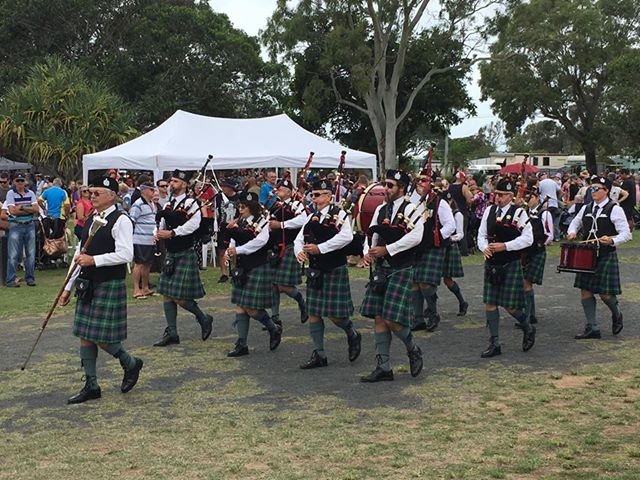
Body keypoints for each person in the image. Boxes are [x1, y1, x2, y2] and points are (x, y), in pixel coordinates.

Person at [58, 176, 143, 404]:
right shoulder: (92, 218)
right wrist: (68, 286)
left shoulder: (121, 220)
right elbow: (79, 256)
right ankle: (91, 385)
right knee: (85, 336)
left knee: (100, 337)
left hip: (108, 283)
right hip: (88, 284)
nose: (92, 196)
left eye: (97, 193)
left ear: (113, 195)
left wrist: (94, 260)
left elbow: (126, 255)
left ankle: (131, 363)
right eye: (90, 193)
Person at [360, 170, 425, 382]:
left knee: (392, 319)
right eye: (385, 185)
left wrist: (388, 250)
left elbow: (416, 237)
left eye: (390, 185)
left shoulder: (412, 209)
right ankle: (384, 367)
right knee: (379, 317)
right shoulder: (380, 209)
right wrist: (367, 252)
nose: (385, 189)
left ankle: (412, 348)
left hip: (401, 268)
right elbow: (371, 235)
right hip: (381, 269)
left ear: (401, 188)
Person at [294, 179, 361, 370]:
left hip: (333, 268)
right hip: (316, 271)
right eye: (312, 195)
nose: (313, 198)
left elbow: (346, 237)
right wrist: (298, 251)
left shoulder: (339, 214)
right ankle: (319, 354)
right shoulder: (311, 217)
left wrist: (320, 248)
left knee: (335, 315)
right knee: (314, 313)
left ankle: (352, 333)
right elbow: (299, 238)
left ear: (328, 196)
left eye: (317, 195)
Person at [153, 170, 213, 346]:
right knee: (166, 294)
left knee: (179, 297)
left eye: (176, 181)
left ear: (185, 185)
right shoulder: (168, 204)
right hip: (170, 253)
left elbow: (193, 225)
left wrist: (172, 233)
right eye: (171, 181)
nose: (172, 184)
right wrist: (157, 233)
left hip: (184, 251)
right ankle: (172, 332)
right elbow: (161, 224)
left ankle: (203, 318)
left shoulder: (191, 203)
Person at [477, 178, 536, 358]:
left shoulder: (519, 213)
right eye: (497, 194)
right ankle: (494, 343)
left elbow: (528, 239)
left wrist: (506, 246)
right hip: (492, 263)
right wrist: (484, 247)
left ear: (511, 196)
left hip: (509, 262)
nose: (498, 198)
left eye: (502, 195)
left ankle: (527, 326)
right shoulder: (489, 211)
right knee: (490, 303)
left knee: (510, 306)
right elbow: (481, 235)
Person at [567, 175, 632, 339]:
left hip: (605, 254)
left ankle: (617, 313)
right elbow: (575, 222)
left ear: (606, 191)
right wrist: (572, 232)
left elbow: (626, 234)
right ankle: (592, 327)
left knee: (605, 294)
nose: (593, 191)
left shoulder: (614, 208)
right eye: (591, 188)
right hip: (586, 255)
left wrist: (612, 240)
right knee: (585, 291)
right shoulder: (586, 208)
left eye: (596, 189)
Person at [224, 191, 282, 356]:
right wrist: (229, 251)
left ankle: (273, 328)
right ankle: (242, 344)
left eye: (244, 207)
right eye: (240, 206)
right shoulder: (239, 222)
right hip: (242, 267)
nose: (240, 210)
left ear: (253, 208)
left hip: (257, 266)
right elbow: (234, 239)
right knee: (240, 306)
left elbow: (259, 242)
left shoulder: (263, 223)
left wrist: (238, 250)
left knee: (250, 307)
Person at [411, 174, 456, 332]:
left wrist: (435, 237)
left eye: (424, 181)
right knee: (414, 282)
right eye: (418, 181)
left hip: (435, 247)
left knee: (425, 283)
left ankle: (433, 313)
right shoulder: (412, 202)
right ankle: (418, 319)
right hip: (416, 246)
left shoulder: (439, 202)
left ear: (429, 184)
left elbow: (451, 225)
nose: (420, 184)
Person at [267, 177, 309, 327]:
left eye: (281, 190)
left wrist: (281, 224)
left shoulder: (296, 205)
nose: (278, 191)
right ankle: (275, 318)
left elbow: (304, 219)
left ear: (289, 192)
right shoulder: (275, 206)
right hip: (276, 248)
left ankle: (302, 302)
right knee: (273, 284)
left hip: (290, 246)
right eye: (277, 189)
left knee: (284, 286)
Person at [518, 191, 553, 328]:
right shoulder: (524, 213)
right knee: (525, 283)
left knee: (527, 283)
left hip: (537, 251)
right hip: (525, 252)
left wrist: (538, 243)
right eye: (527, 198)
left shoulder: (544, 214)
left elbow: (549, 234)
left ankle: (527, 317)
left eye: (531, 197)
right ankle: (530, 315)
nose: (528, 200)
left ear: (537, 198)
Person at [2, 173, 38, 287]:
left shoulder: (31, 193)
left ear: (25, 182)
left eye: (22, 181)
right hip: (16, 225)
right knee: (13, 254)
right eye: (18, 181)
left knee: (31, 254)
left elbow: (36, 209)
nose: (20, 183)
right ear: (14, 181)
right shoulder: (11, 193)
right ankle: (10, 280)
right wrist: (29, 209)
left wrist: (21, 207)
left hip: (29, 224)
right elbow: (12, 211)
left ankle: (30, 278)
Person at [441, 193, 469, 316]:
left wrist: (450, 238)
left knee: (447, 280)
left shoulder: (457, 214)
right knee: (429, 281)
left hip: (450, 246)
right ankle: (430, 308)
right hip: (439, 247)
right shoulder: (440, 212)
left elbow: (460, 234)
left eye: (449, 200)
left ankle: (462, 302)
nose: (448, 203)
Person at [129, 182, 157, 299]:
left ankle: (145, 288)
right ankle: (136, 289)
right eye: (151, 190)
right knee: (139, 264)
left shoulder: (152, 204)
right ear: (144, 190)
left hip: (150, 239)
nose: (154, 192)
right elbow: (131, 220)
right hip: (139, 239)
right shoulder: (138, 204)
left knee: (147, 264)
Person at [214, 178, 240, 283]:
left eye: (225, 186)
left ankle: (234, 271)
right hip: (223, 226)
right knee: (221, 250)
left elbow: (244, 212)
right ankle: (224, 273)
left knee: (234, 250)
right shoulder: (219, 197)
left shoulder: (239, 197)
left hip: (235, 226)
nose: (223, 188)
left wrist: (236, 221)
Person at [447, 171, 472, 255]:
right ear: (460, 178)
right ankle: (464, 251)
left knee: (452, 231)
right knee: (462, 231)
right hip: (462, 211)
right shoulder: (464, 187)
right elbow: (468, 199)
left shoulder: (449, 186)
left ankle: (452, 249)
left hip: (452, 211)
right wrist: (469, 206)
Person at [538, 172, 562, 241]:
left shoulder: (540, 183)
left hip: (545, 205)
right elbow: (560, 191)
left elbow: (538, 193)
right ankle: (556, 237)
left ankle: (548, 237)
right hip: (554, 204)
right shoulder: (553, 182)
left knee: (546, 222)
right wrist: (557, 199)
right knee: (554, 222)